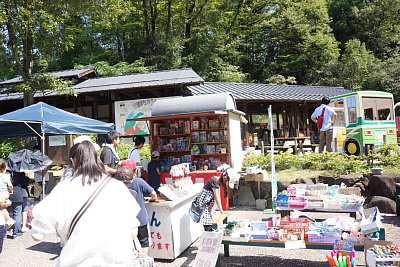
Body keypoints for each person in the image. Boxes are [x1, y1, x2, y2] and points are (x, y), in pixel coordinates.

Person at [30, 141, 141, 266]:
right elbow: (133, 231)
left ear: (72, 161)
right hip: (117, 261)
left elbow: (38, 233)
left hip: (78, 261)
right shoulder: (117, 187)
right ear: (97, 159)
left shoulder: (64, 188)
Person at [122, 159, 157, 255]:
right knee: (144, 242)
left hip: (125, 220)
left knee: (129, 244)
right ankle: (143, 259)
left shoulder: (117, 184)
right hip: (140, 218)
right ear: (134, 171)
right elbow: (154, 194)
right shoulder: (139, 181)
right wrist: (152, 199)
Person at [194, 166, 238, 231]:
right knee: (208, 228)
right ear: (225, 176)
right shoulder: (214, 181)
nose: (227, 184)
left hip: (207, 208)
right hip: (203, 208)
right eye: (227, 181)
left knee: (211, 227)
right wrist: (221, 211)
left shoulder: (216, 181)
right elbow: (217, 198)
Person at [8, 171, 30, 238]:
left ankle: (8, 230)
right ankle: (16, 232)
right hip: (19, 195)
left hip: (10, 195)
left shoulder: (9, 176)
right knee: (18, 214)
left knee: (11, 213)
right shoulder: (23, 178)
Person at [0, 159, 15, 228]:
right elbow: (10, 185)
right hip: (5, 193)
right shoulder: (6, 176)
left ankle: (8, 220)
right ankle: (8, 220)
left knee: (2, 207)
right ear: (4, 168)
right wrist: (11, 190)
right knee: (2, 207)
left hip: (1, 194)